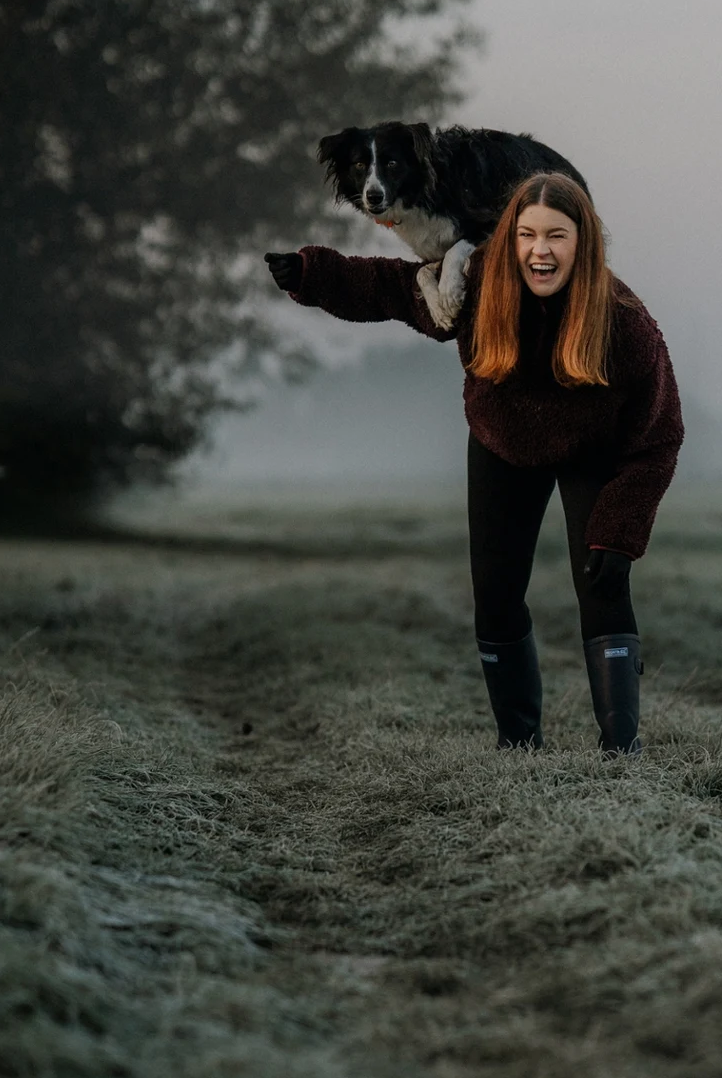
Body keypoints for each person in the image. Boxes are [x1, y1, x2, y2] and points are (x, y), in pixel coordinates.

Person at [265, 173, 684, 755]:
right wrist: (314, 275)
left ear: (583, 243)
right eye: (527, 235)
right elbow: (393, 289)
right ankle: (519, 743)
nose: (540, 250)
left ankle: (621, 749)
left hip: (593, 450)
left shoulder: (625, 321)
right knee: (494, 592)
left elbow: (659, 436)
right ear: (510, 240)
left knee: (604, 584)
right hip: (502, 441)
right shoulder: (479, 281)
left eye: (556, 236)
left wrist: (621, 530)